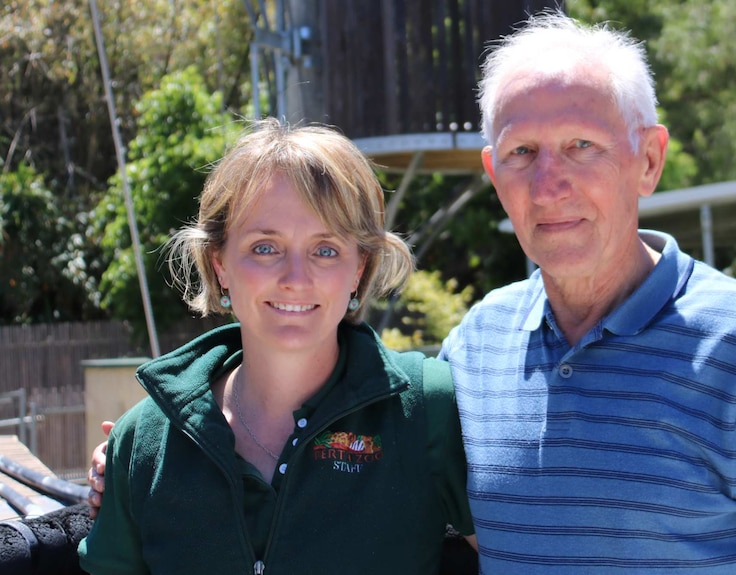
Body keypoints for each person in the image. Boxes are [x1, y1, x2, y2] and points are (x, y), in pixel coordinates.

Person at [436, 9, 736, 575]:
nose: (547, 186)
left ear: (649, 161)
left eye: (581, 145)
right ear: (495, 174)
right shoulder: (472, 349)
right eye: (522, 153)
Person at [78, 119, 475, 575]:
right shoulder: (143, 441)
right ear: (220, 264)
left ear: (359, 270)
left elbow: (537, 551)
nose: (295, 278)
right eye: (265, 247)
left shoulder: (430, 408)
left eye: (325, 249)